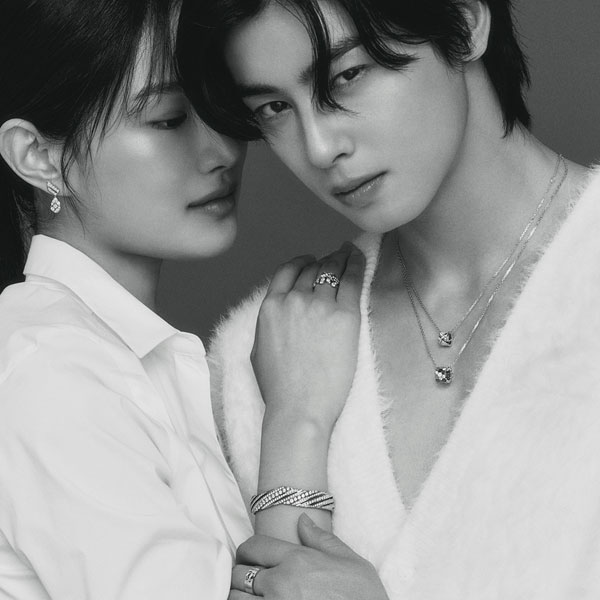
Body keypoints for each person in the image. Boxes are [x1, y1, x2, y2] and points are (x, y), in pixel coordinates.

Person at [182, 0, 600, 597]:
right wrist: (294, 425)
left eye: (347, 75)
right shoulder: (262, 358)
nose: (318, 146)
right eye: (274, 108)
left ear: (465, 22)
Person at [0, 1, 380, 598]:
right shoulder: (48, 371)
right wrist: (295, 418)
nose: (222, 150)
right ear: (39, 155)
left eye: (219, 108)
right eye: (170, 118)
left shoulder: (117, 359)